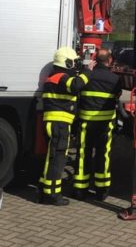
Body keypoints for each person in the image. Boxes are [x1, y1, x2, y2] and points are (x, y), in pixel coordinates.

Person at [38, 47, 92, 206]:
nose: (75, 64)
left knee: (51, 157)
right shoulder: (60, 77)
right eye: (74, 62)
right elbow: (76, 85)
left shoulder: (54, 76)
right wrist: (87, 71)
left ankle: (44, 189)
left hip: (55, 123)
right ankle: (53, 194)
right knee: (58, 159)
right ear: (67, 62)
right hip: (59, 124)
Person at [72, 49, 122, 201]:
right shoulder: (115, 79)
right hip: (105, 125)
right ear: (109, 60)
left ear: (95, 59)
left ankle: (80, 189)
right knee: (103, 155)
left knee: (82, 155)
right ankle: (102, 190)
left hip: (86, 123)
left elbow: (77, 92)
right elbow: (117, 96)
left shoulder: (87, 76)